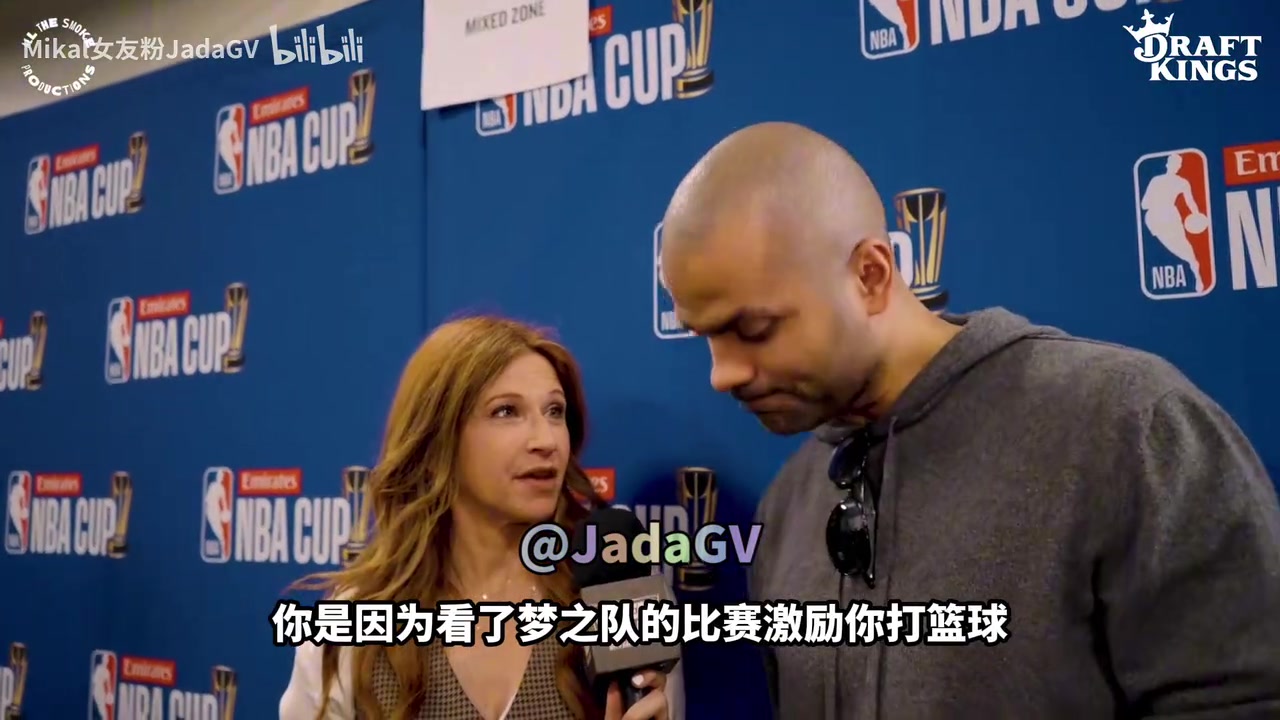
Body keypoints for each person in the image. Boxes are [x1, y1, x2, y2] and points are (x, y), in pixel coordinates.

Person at [658, 122, 1280, 719]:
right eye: (704, 336)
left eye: (753, 328)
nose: (722, 374)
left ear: (870, 276)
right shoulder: (788, 504)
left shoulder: (1128, 427)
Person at [279, 316, 684, 720]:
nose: (546, 440)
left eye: (554, 411)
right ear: (438, 437)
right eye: (506, 411)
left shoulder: (616, 587)